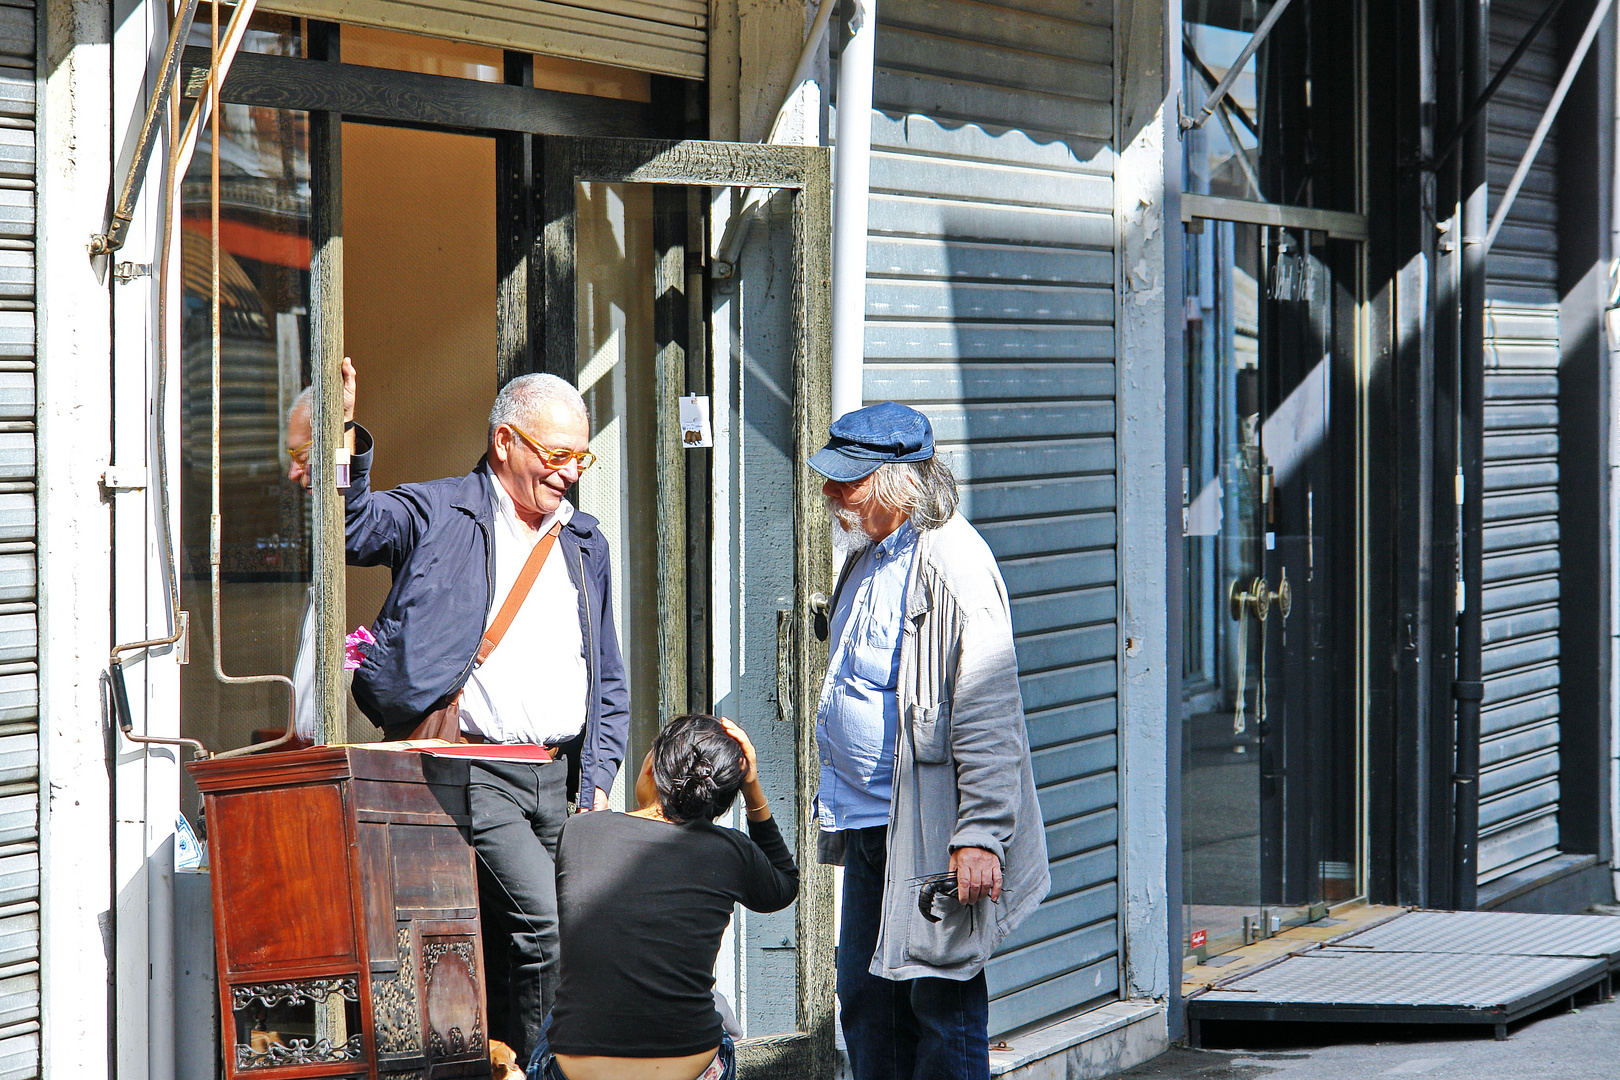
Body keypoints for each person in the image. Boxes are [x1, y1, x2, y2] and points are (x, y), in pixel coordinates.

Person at [343, 370, 631, 1062]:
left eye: (578, 459)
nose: (569, 474)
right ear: (505, 441)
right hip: (471, 769)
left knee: (553, 935)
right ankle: (543, 1073)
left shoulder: (584, 541)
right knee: (543, 924)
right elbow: (354, 531)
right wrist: (341, 434)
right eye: (555, 456)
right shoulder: (441, 512)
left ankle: (510, 1063)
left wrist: (597, 773)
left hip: (557, 779)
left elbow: (607, 676)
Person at [808, 401, 1050, 1080]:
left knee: (941, 1006)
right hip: (872, 822)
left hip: (932, 829)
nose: (829, 492)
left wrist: (980, 835)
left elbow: (990, 714)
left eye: (845, 482)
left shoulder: (955, 569)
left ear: (897, 485)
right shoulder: (871, 554)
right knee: (867, 999)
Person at [532, 714, 797, 1080]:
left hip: (577, 1070)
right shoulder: (731, 850)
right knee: (719, 1014)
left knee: (561, 1012)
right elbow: (783, 886)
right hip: (691, 1067)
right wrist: (753, 789)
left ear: (651, 765)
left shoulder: (578, 831)